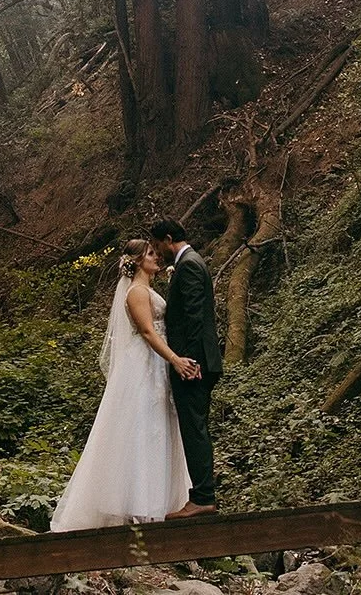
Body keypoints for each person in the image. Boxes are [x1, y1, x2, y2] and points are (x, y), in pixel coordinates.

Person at [49, 239, 199, 531]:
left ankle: (158, 505)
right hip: (146, 364)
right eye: (151, 254)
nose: (157, 257)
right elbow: (147, 332)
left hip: (157, 362)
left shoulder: (147, 289)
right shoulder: (137, 292)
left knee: (158, 427)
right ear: (138, 261)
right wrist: (175, 359)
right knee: (145, 429)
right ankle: (142, 507)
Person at [150, 217, 223, 518]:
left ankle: (203, 497)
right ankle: (202, 495)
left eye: (157, 245)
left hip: (194, 364)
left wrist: (188, 362)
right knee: (195, 428)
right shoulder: (190, 262)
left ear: (168, 239)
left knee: (194, 430)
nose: (157, 252)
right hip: (199, 361)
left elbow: (194, 317)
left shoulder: (189, 265)